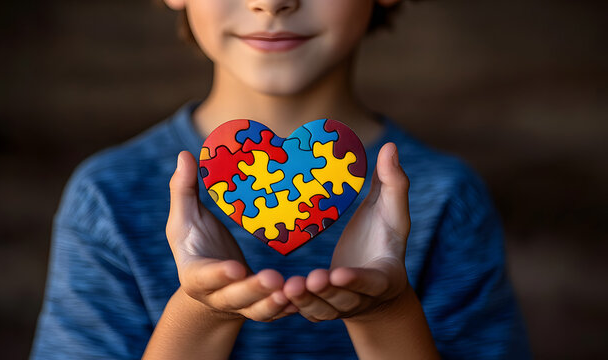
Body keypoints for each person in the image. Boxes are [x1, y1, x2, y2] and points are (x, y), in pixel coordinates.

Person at [31, 0, 531, 359]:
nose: (271, 4)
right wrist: (201, 313)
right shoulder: (107, 194)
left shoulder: (447, 197)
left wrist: (387, 313)